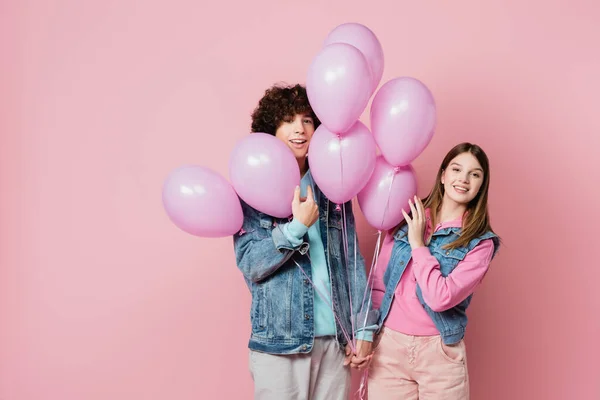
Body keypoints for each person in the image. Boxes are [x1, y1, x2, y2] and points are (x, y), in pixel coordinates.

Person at [233, 83, 377, 400]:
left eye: (307, 120)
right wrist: (296, 227)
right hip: (281, 344)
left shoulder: (331, 184)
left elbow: (350, 259)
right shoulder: (252, 187)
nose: (300, 130)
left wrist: (365, 327)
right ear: (271, 129)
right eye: (288, 120)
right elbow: (250, 263)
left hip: (335, 342)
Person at [368, 142, 501, 400]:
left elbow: (441, 297)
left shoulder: (480, 242)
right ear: (443, 175)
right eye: (456, 169)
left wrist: (418, 244)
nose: (463, 179)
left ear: (481, 185)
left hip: (438, 353)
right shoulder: (408, 216)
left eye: (474, 174)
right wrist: (371, 334)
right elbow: (379, 283)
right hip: (389, 346)